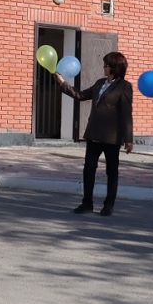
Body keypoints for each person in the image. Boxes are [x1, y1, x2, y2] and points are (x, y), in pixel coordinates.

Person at [54, 51, 134, 216]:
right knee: (88, 169)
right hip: (94, 134)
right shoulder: (99, 83)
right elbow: (80, 95)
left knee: (111, 171)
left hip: (111, 137)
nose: (103, 68)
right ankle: (87, 203)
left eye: (106, 65)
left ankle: (108, 205)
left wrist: (128, 139)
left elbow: (126, 113)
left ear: (114, 67)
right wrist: (63, 83)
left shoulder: (124, 87)